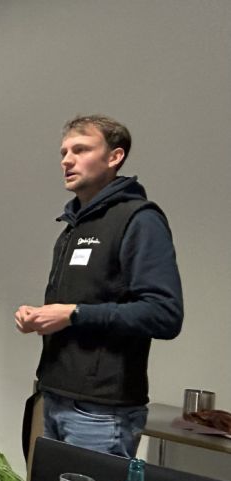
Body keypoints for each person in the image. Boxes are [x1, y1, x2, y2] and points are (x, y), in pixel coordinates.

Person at [15, 115, 183, 457]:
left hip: (101, 412)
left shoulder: (140, 219)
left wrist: (74, 314)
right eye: (63, 152)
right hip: (56, 395)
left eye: (80, 149)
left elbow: (165, 314)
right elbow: (79, 306)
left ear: (114, 157)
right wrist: (39, 316)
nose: (66, 160)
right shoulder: (72, 228)